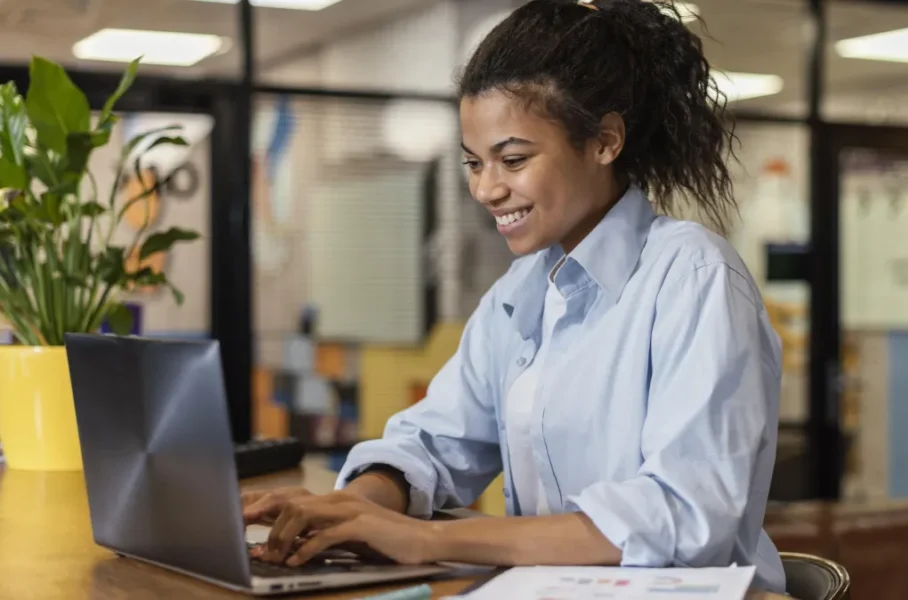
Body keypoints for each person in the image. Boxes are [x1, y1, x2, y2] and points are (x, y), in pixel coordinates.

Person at [242, 0, 785, 592]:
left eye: (514, 159)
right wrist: (359, 506)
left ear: (604, 141)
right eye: (474, 163)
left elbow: (682, 516)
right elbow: (433, 440)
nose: (486, 188)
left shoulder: (693, 278)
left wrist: (428, 540)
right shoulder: (521, 292)